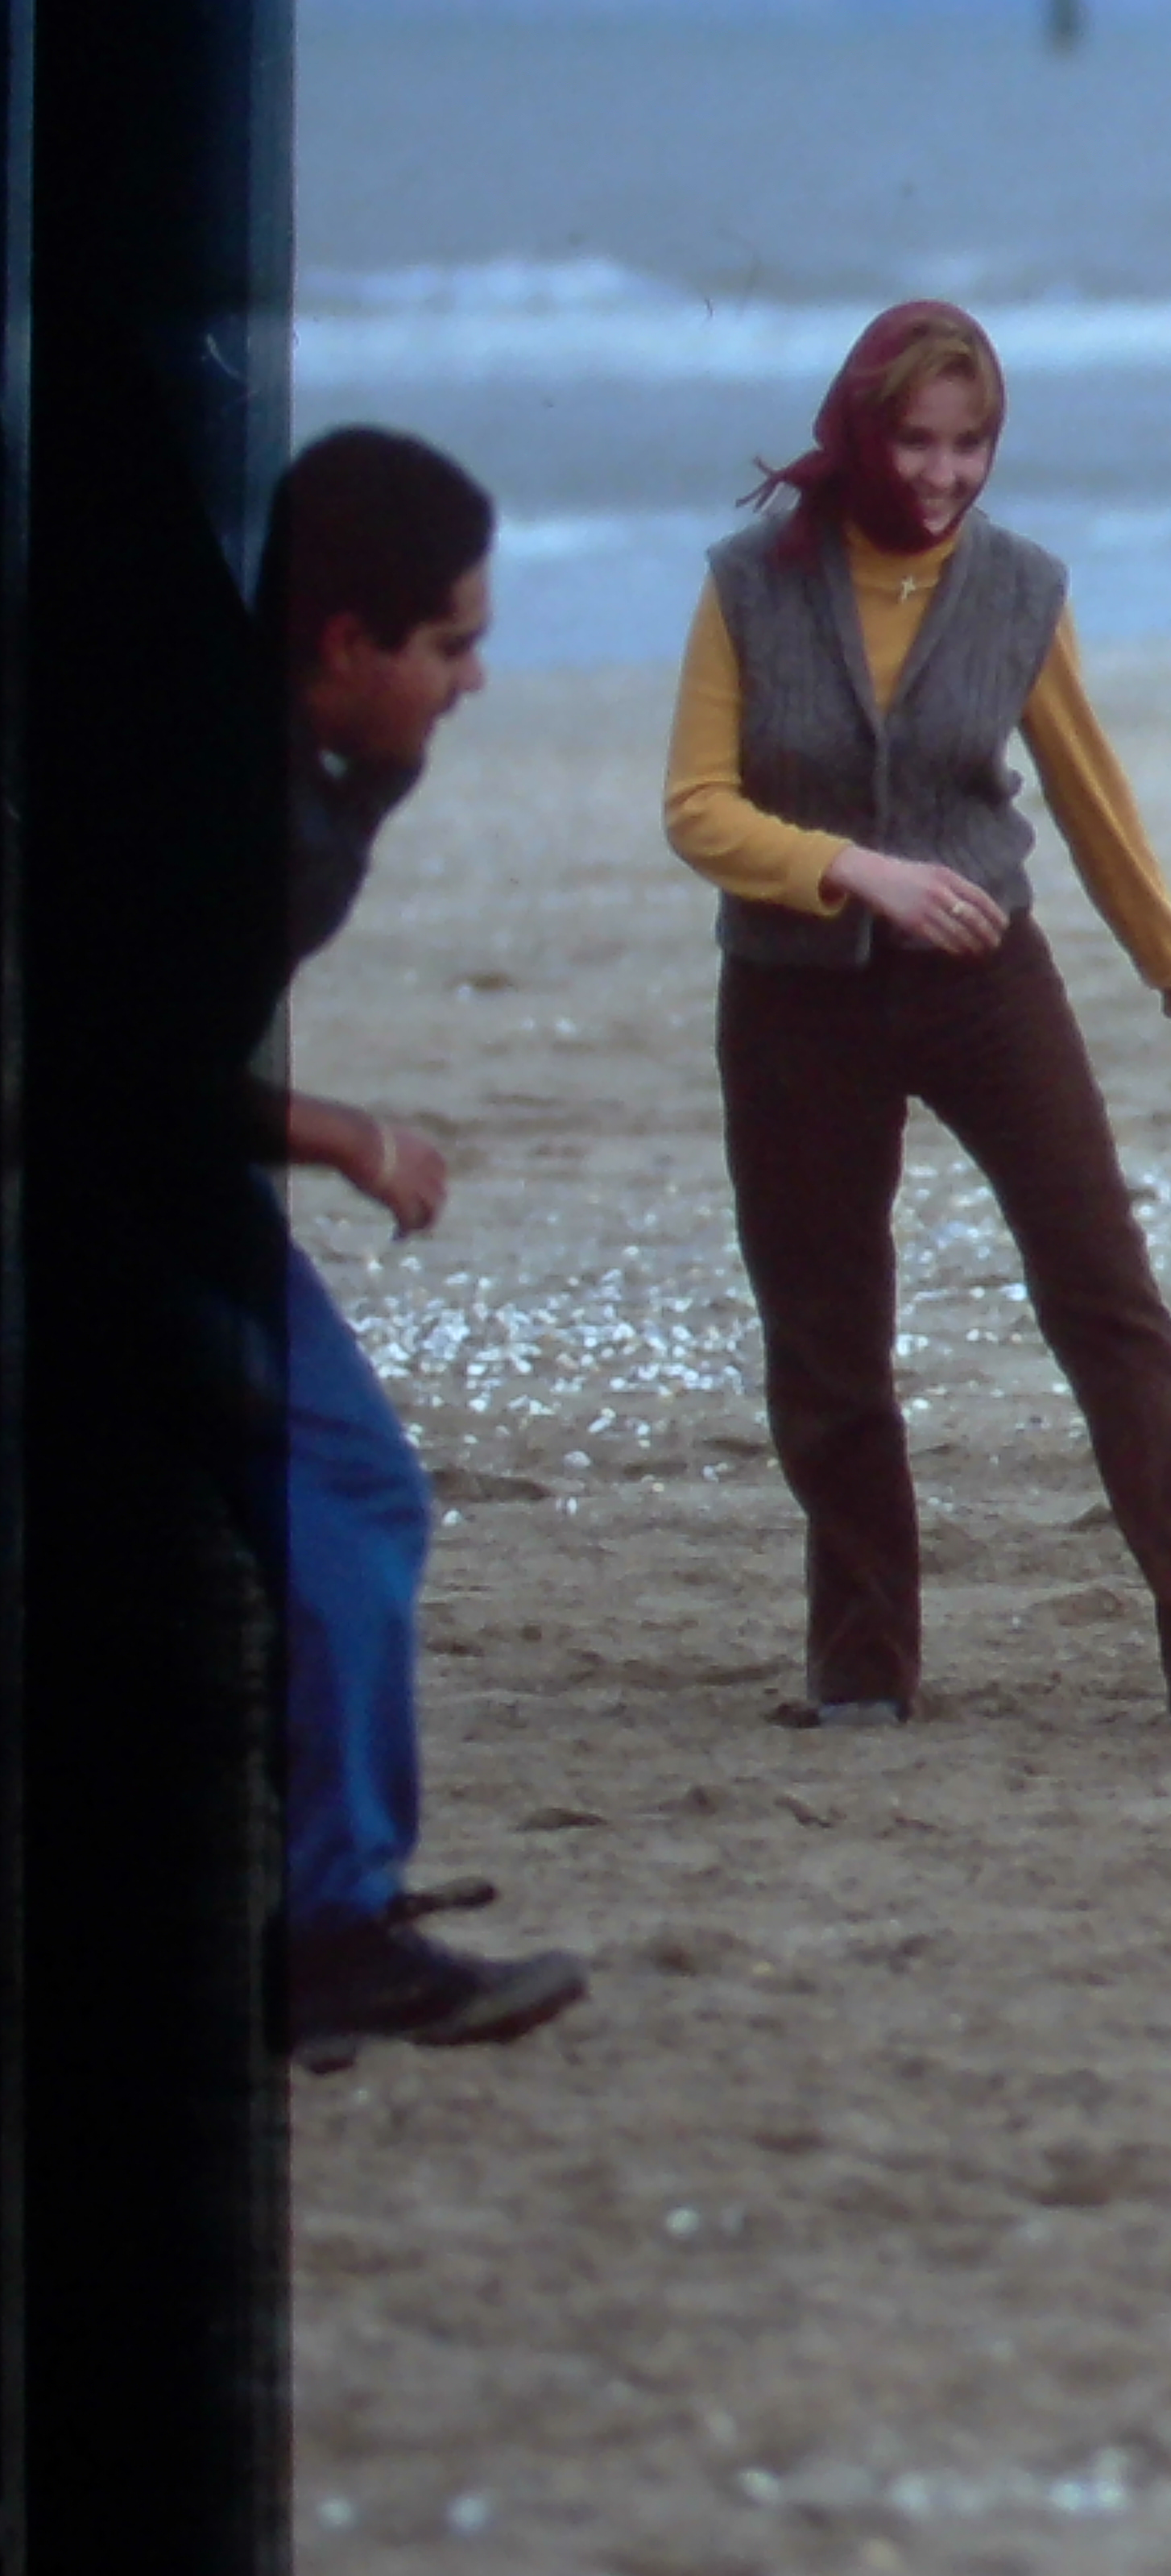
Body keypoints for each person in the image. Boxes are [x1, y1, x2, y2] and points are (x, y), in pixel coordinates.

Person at [664, 300, 1171, 1727]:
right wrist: (852, 870)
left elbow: (1088, 790)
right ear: (861, 427)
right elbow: (698, 811)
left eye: (971, 446)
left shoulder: (1019, 587)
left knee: (1107, 1296)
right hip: (790, 999)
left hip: (984, 984)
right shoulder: (748, 585)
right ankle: (861, 1671)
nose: (945, 474)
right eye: (916, 441)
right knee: (828, 1336)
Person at [265, 427, 594, 2066]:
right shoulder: (219, 810)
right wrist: (343, 1135)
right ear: (344, 643)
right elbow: (103, 1070)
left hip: (147, 1182)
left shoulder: (290, 768)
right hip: (111, 1192)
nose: (472, 681)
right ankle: (332, 1929)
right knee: (352, 1489)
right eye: (450, 645)